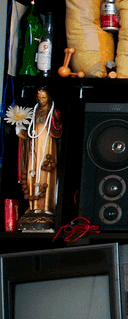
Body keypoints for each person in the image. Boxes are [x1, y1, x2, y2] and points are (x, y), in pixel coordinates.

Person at [17, 87, 62, 231]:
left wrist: (54, 121)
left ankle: (46, 207)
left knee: (45, 174)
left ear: (49, 98)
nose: (42, 100)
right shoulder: (34, 112)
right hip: (35, 146)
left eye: (44, 98)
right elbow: (29, 132)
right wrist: (21, 130)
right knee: (33, 173)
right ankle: (33, 207)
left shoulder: (53, 112)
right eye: (39, 98)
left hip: (47, 146)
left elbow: (58, 128)